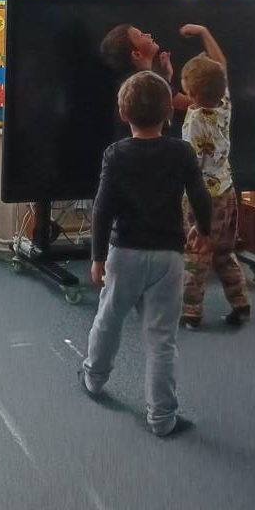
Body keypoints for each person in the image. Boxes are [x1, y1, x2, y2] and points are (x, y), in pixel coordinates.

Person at [81, 71, 212, 437]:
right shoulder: (182, 152)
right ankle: (162, 417)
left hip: (124, 254)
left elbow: (102, 209)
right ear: (170, 112)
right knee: (161, 339)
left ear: (124, 114)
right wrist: (205, 231)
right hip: (168, 257)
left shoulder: (115, 154)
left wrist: (97, 257)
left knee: (109, 318)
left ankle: (94, 377)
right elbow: (200, 195)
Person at [179, 23, 250, 329]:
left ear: (193, 95)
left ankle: (191, 313)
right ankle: (241, 304)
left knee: (196, 253)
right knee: (223, 253)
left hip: (202, 199)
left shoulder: (195, 120)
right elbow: (220, 65)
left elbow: (190, 164)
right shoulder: (224, 105)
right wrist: (205, 32)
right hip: (227, 193)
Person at [99, 24, 191, 120]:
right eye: (141, 35)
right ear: (137, 54)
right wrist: (201, 32)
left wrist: (167, 77)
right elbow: (188, 104)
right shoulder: (150, 82)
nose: (148, 35)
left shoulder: (134, 83)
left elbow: (165, 99)